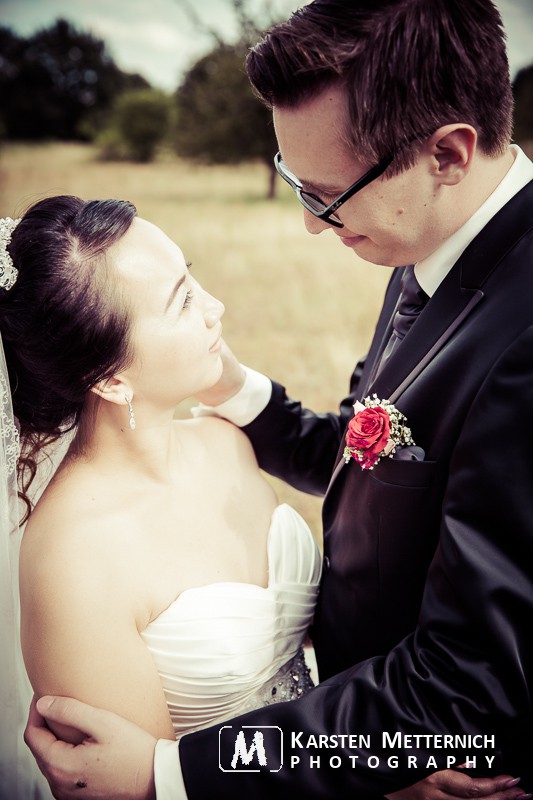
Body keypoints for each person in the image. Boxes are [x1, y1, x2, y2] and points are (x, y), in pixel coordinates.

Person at [22, 0, 533, 797]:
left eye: (327, 194)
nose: (308, 221)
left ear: (448, 155)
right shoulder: (426, 233)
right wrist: (234, 387)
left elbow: (468, 688)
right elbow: (371, 452)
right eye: (299, 182)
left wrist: (172, 773)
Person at [0, 199, 490, 800]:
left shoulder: (225, 442)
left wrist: (385, 767)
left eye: (192, 273)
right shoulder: (73, 563)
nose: (214, 308)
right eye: (181, 301)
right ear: (110, 378)